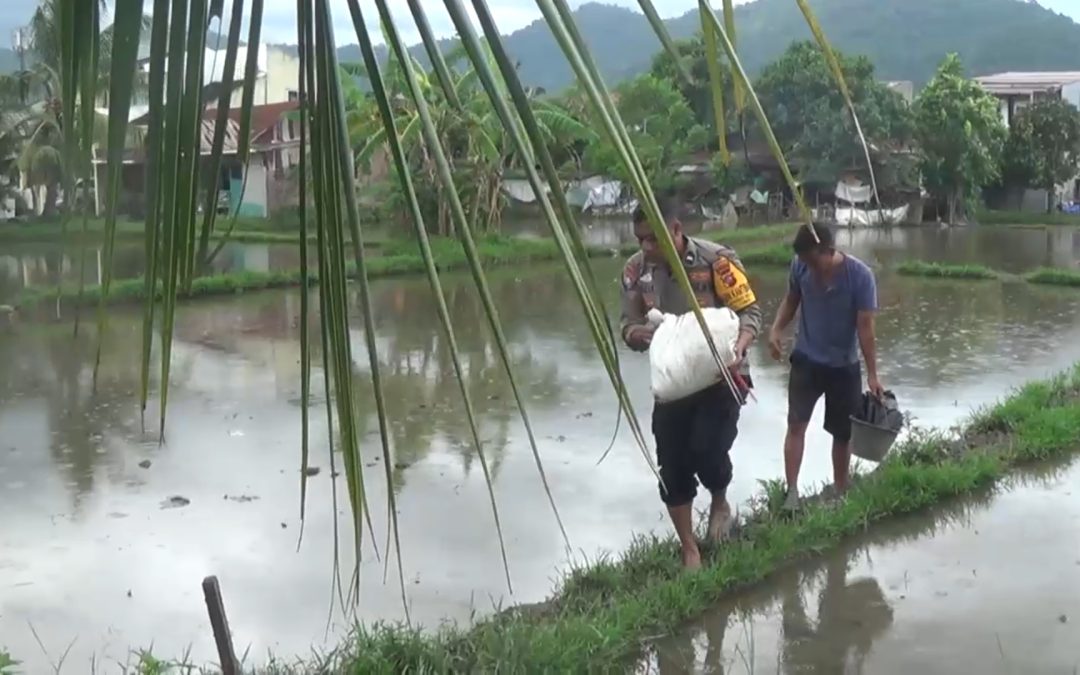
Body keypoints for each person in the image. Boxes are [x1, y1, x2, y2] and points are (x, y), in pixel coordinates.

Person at [621, 200, 762, 569]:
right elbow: (628, 324)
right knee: (671, 466)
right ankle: (689, 547)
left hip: (721, 375)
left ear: (676, 229)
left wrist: (740, 346)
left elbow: (749, 311)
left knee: (708, 449)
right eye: (640, 239)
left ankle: (719, 501)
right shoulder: (635, 270)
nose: (647, 247)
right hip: (673, 382)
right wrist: (639, 335)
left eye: (654, 238)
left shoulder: (717, 261)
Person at [767, 223, 883, 510]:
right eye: (804, 261)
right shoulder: (800, 266)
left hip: (844, 365)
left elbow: (866, 329)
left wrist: (873, 374)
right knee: (796, 425)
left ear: (829, 251)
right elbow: (791, 300)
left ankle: (841, 491)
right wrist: (776, 329)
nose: (809, 267)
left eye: (813, 261)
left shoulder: (860, 277)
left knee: (842, 433)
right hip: (806, 360)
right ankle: (791, 493)